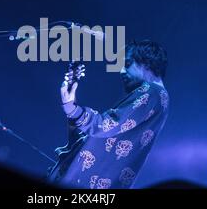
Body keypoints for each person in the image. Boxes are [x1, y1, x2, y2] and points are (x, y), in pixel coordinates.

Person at [48, 40, 169, 189]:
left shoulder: (153, 92)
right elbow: (95, 134)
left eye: (128, 63)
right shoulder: (157, 97)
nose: (121, 71)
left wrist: (72, 109)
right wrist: (71, 106)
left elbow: (105, 126)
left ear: (147, 63)